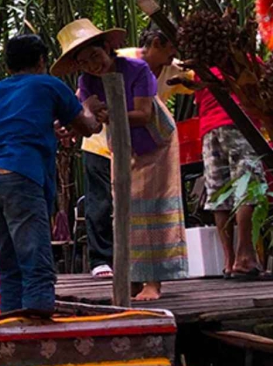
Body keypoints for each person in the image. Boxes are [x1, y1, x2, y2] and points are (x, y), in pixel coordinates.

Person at [0, 33, 103, 316]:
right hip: (18, 173)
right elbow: (88, 127)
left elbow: (5, 130)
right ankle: (39, 323)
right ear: (42, 60)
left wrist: (48, 130)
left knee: (9, 262)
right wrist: (88, 107)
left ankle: (11, 326)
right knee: (35, 256)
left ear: (8, 65)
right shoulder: (49, 84)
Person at [60, 20, 187, 301]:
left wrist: (110, 114)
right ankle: (132, 278)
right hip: (121, 143)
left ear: (108, 47)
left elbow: (143, 114)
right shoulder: (86, 81)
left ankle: (153, 282)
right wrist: (73, 126)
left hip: (157, 141)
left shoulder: (137, 69)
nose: (93, 65)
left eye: (95, 55)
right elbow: (90, 120)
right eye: (84, 62)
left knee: (152, 206)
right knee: (124, 207)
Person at [198, 71, 264, 278]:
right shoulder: (245, 62)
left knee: (219, 193)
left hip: (209, 130)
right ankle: (245, 257)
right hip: (239, 122)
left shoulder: (201, 69)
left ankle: (229, 261)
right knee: (247, 186)